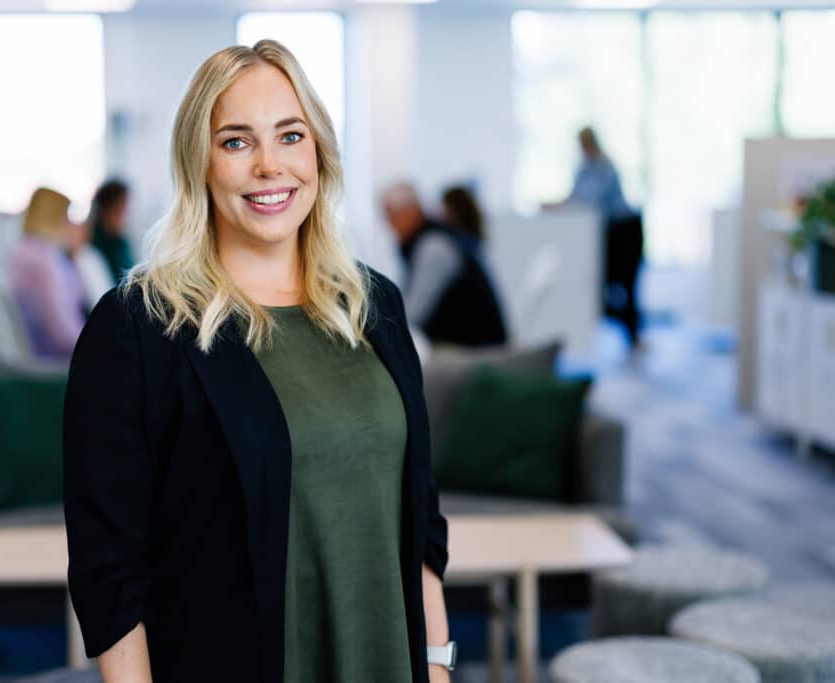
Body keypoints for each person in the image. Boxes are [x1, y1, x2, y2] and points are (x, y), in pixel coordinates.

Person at [63, 40, 453, 683]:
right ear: (200, 162)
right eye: (237, 142)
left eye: (290, 135)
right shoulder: (139, 327)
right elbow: (111, 574)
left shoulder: (373, 303)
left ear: (319, 153)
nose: (270, 165)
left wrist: (437, 669)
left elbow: (421, 521)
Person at [383, 182, 508, 348]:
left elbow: (413, 314)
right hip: (471, 344)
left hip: (472, 350)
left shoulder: (434, 247)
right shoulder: (435, 240)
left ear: (411, 212)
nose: (389, 226)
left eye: (392, 216)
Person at [562, 126, 644, 348]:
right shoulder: (583, 167)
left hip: (625, 230)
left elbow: (592, 198)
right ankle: (629, 331)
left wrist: (570, 202)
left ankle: (634, 337)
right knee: (605, 287)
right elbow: (576, 194)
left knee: (628, 286)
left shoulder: (605, 166)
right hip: (607, 233)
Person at [8, 187, 87, 359]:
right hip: (54, 359)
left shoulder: (24, 250)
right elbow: (61, 331)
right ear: (53, 217)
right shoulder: (44, 260)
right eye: (66, 216)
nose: (70, 224)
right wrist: (99, 344)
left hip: (39, 351)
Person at [89, 178, 134, 283]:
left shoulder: (120, 241)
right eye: (119, 210)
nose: (125, 215)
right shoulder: (93, 244)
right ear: (105, 209)